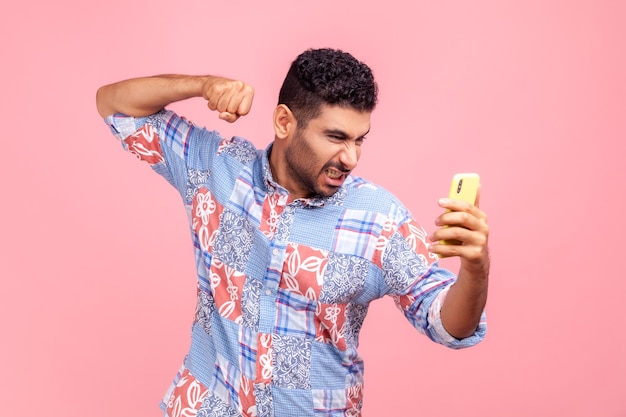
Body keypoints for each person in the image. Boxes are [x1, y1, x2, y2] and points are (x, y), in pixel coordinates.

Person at [96, 48, 489, 417]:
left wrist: (476, 269)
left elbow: (448, 326)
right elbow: (114, 105)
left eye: (359, 139)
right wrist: (203, 85)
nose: (350, 158)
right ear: (285, 122)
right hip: (207, 403)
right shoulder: (216, 168)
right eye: (335, 137)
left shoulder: (380, 220)